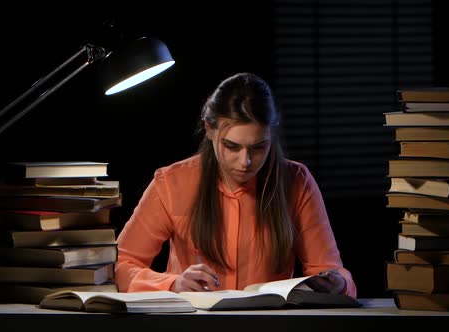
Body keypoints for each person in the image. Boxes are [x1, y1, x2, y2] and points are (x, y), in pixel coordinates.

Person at [115, 72, 357, 297]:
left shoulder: (296, 181)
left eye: (259, 147)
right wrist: (173, 284)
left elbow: (328, 270)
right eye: (232, 146)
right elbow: (121, 265)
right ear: (209, 129)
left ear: (271, 134)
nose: (246, 162)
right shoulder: (172, 182)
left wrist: (338, 283)